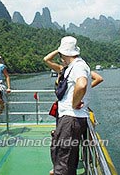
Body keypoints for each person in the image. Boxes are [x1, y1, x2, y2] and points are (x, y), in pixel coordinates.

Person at [46, 36, 92, 175]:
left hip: (72, 118)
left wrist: (75, 102)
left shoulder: (78, 66)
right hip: (68, 118)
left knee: (64, 159)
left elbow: (82, 84)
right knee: (61, 152)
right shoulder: (72, 67)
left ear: (63, 53)